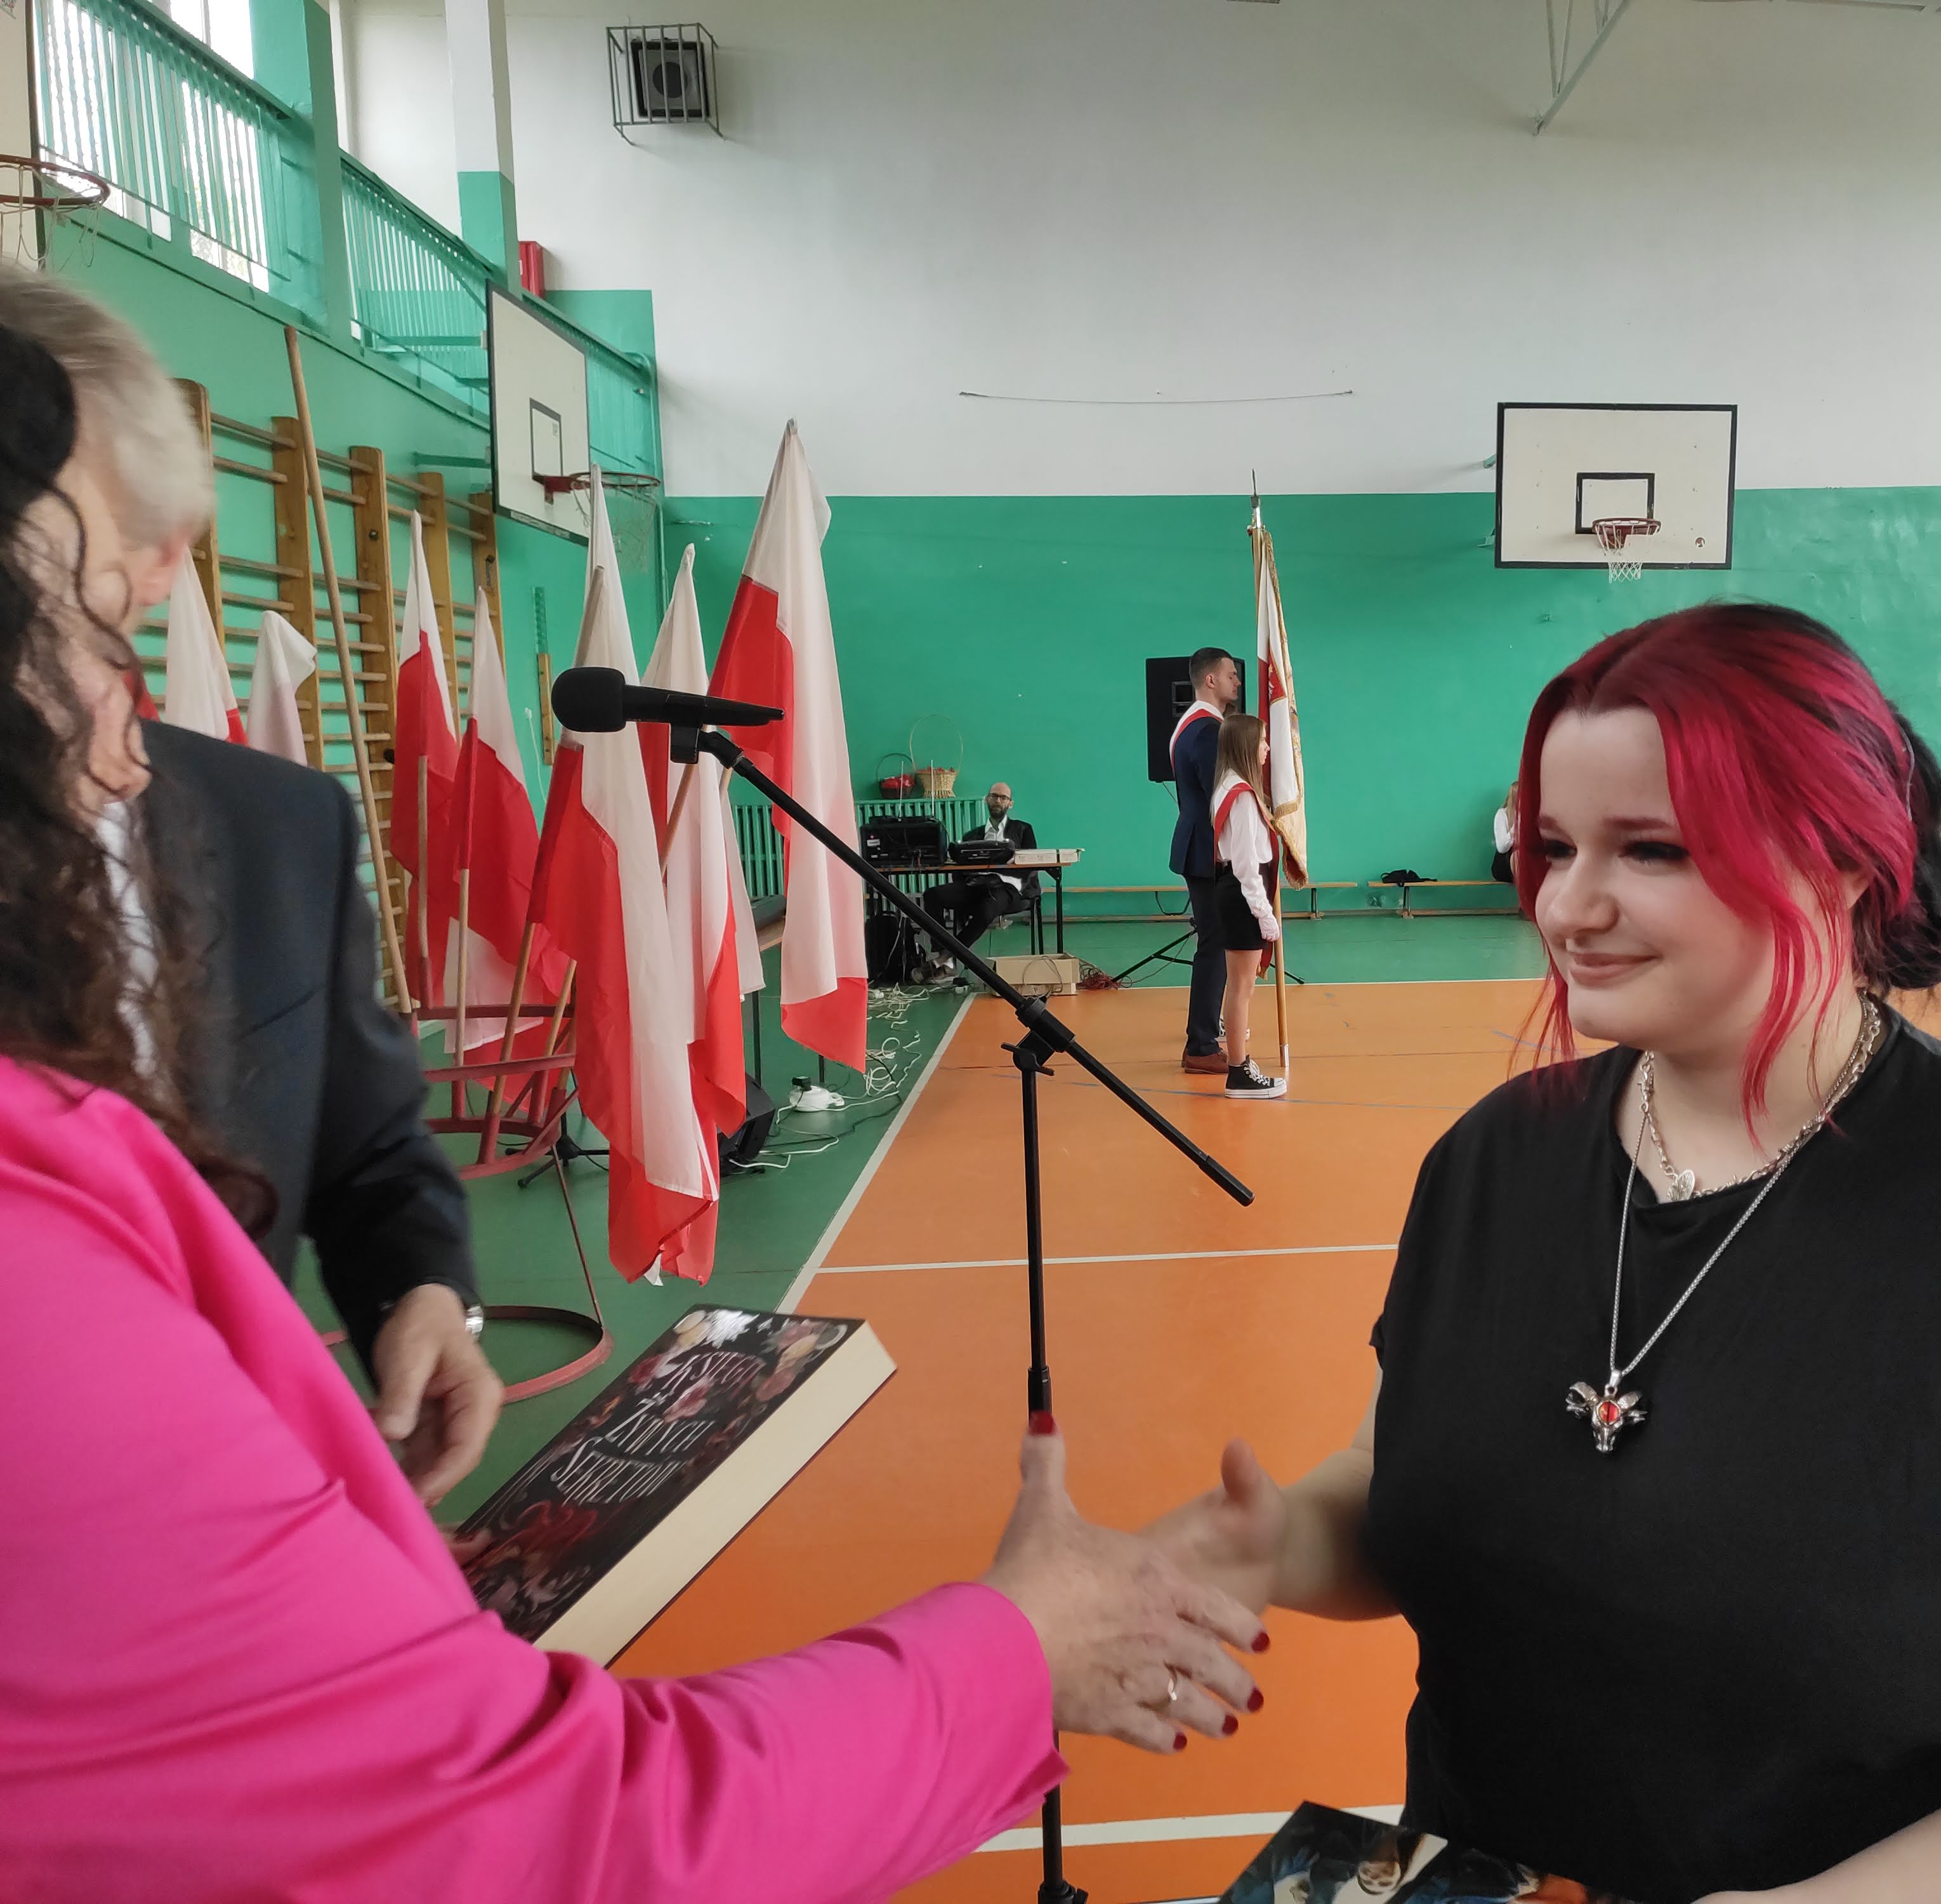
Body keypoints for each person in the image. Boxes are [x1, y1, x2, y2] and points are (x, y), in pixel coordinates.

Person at [0, 305, 1267, 1900]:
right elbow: (555, 1828)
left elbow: (366, 1134)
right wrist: (1020, 1650)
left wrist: (421, 1289)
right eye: (93, 624)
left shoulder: (252, 835)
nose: (130, 723)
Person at [1148, 604, 1941, 1904]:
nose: (1567, 905)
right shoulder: (1491, 1163)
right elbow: (1397, 1485)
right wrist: (1274, 1540)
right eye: (1554, 847)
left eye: (1650, 850)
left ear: (1843, 860)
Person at [0, 264, 501, 1504]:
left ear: (158, 558)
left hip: (249, 1479)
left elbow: (371, 1146)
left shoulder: (280, 824)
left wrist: (425, 1293)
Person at [1170, 647, 1242, 1072]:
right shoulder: (1206, 730)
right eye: (1231, 674)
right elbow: (1221, 796)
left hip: (1198, 844)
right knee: (1216, 945)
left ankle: (1204, 1035)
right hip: (1208, 849)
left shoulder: (1190, 724)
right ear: (1210, 680)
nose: (1238, 681)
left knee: (1214, 943)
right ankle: (1201, 1045)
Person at [1211, 711, 1287, 1101]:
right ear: (1245, 746)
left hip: (1236, 890)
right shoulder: (1240, 795)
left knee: (1239, 987)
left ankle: (1240, 1064)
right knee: (1242, 988)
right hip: (1243, 892)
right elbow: (1245, 864)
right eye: (1261, 741)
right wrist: (1263, 912)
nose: (1267, 748)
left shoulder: (1229, 785)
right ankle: (1238, 1073)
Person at [924, 779, 1038, 963]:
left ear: (1010, 803)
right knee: (932, 895)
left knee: (986, 910)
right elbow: (960, 868)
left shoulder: (1023, 829)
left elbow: (1031, 864)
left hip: (1008, 887)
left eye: (1003, 797)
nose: (998, 800)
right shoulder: (971, 836)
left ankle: (946, 958)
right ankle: (941, 950)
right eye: (994, 796)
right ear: (986, 799)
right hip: (976, 884)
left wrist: (1002, 878)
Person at [1492, 783, 1520, 884]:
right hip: (1505, 861)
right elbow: (1502, 848)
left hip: (1525, 861)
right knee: (1518, 855)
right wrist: (1516, 827)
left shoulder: (1533, 815)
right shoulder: (1502, 814)